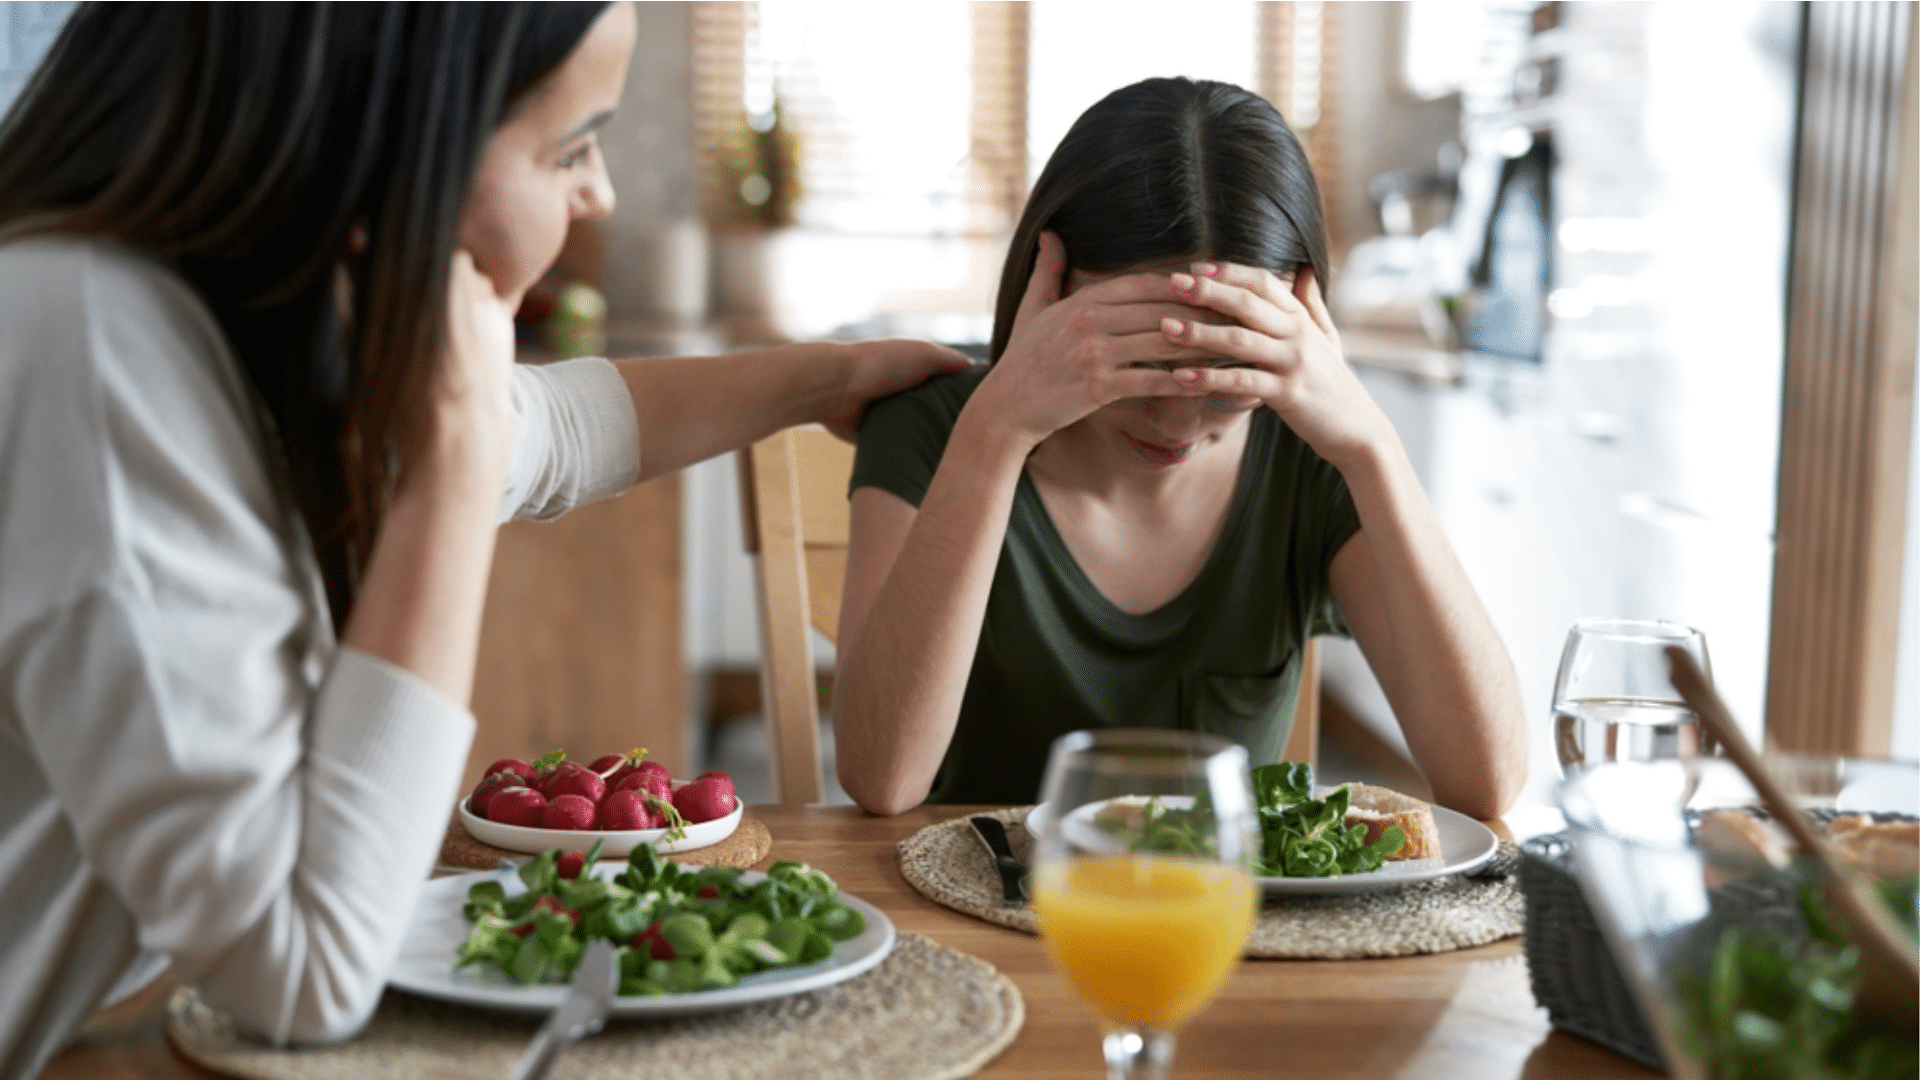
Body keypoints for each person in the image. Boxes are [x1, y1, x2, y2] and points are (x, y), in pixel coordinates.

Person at [0, 4, 965, 1074]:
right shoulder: (98, 364)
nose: (599, 191)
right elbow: (304, 972)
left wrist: (825, 378)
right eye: (570, 146)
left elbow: (552, 430)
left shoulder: (201, 310)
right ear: (397, 137)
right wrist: (454, 480)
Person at [834, 77, 1527, 819]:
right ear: (1051, 293)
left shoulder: (1315, 459)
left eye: (1227, 372)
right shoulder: (938, 429)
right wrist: (994, 434)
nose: (1177, 422)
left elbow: (1485, 782)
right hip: (971, 918)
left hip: (1223, 927)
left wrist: (1373, 449)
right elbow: (884, 779)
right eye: (1138, 363)